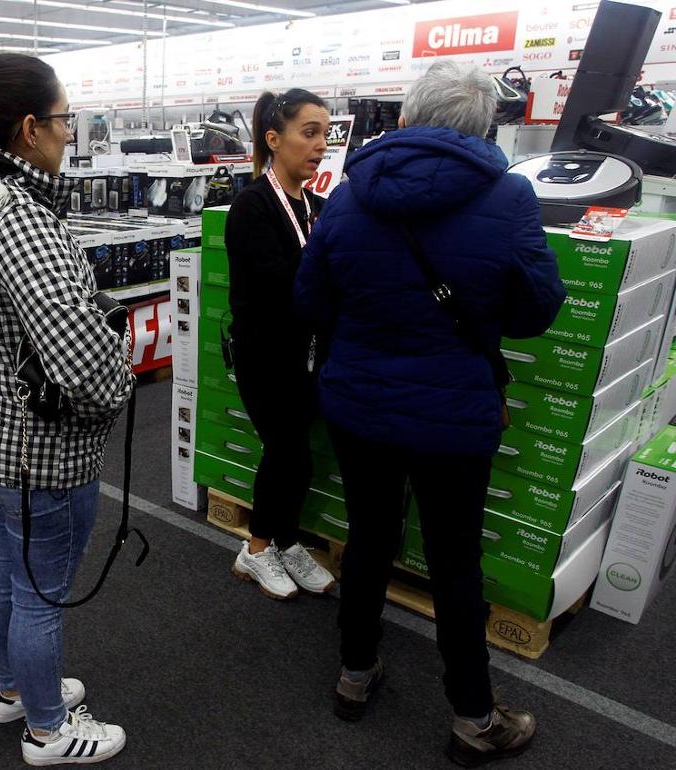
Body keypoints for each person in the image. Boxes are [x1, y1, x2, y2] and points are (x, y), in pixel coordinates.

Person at [294, 60, 565, 766]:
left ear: (406, 120)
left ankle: (354, 676)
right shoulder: (508, 197)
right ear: (483, 130)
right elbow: (537, 309)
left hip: (359, 404)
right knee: (454, 562)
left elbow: (310, 302)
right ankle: (474, 717)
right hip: (455, 411)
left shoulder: (350, 195)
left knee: (368, 538)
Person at [0, 53, 134, 766]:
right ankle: (47, 730)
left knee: (7, 573)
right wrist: (118, 388)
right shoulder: (18, 218)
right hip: (38, 451)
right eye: (67, 120)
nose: (73, 134)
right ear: (32, 128)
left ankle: (13, 691)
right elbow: (78, 357)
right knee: (39, 591)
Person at [224, 89, 337, 600]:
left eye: (325, 134)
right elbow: (281, 288)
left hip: (309, 354)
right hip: (265, 356)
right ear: (274, 139)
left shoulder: (318, 205)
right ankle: (256, 547)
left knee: (301, 456)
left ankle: (288, 541)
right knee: (285, 451)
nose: (320, 145)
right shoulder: (252, 207)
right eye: (308, 133)